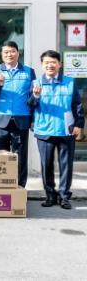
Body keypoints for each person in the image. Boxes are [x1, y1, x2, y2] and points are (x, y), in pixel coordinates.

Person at [29, 50, 84, 209]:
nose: (50, 65)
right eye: (46, 62)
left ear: (60, 64)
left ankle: (64, 196)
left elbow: (77, 105)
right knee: (46, 165)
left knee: (66, 165)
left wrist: (79, 124)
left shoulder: (69, 82)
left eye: (53, 62)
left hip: (66, 130)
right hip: (44, 130)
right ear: (42, 65)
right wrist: (35, 96)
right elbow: (30, 105)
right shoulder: (36, 83)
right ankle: (50, 195)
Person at [0, 41, 35, 188]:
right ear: (2, 55)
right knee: (2, 155)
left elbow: (33, 97)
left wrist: (33, 118)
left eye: (12, 51)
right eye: (6, 52)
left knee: (20, 155)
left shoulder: (29, 71)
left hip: (22, 119)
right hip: (0, 119)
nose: (9, 54)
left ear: (18, 53)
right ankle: (3, 185)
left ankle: (20, 186)